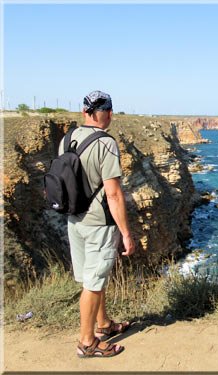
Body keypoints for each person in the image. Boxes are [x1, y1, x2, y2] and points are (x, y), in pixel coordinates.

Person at [59, 90, 136, 358]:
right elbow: (113, 194)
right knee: (93, 283)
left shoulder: (67, 139)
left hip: (74, 220)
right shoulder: (106, 144)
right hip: (99, 225)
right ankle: (87, 342)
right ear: (110, 113)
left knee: (91, 278)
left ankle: (103, 324)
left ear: (84, 113)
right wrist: (126, 233)